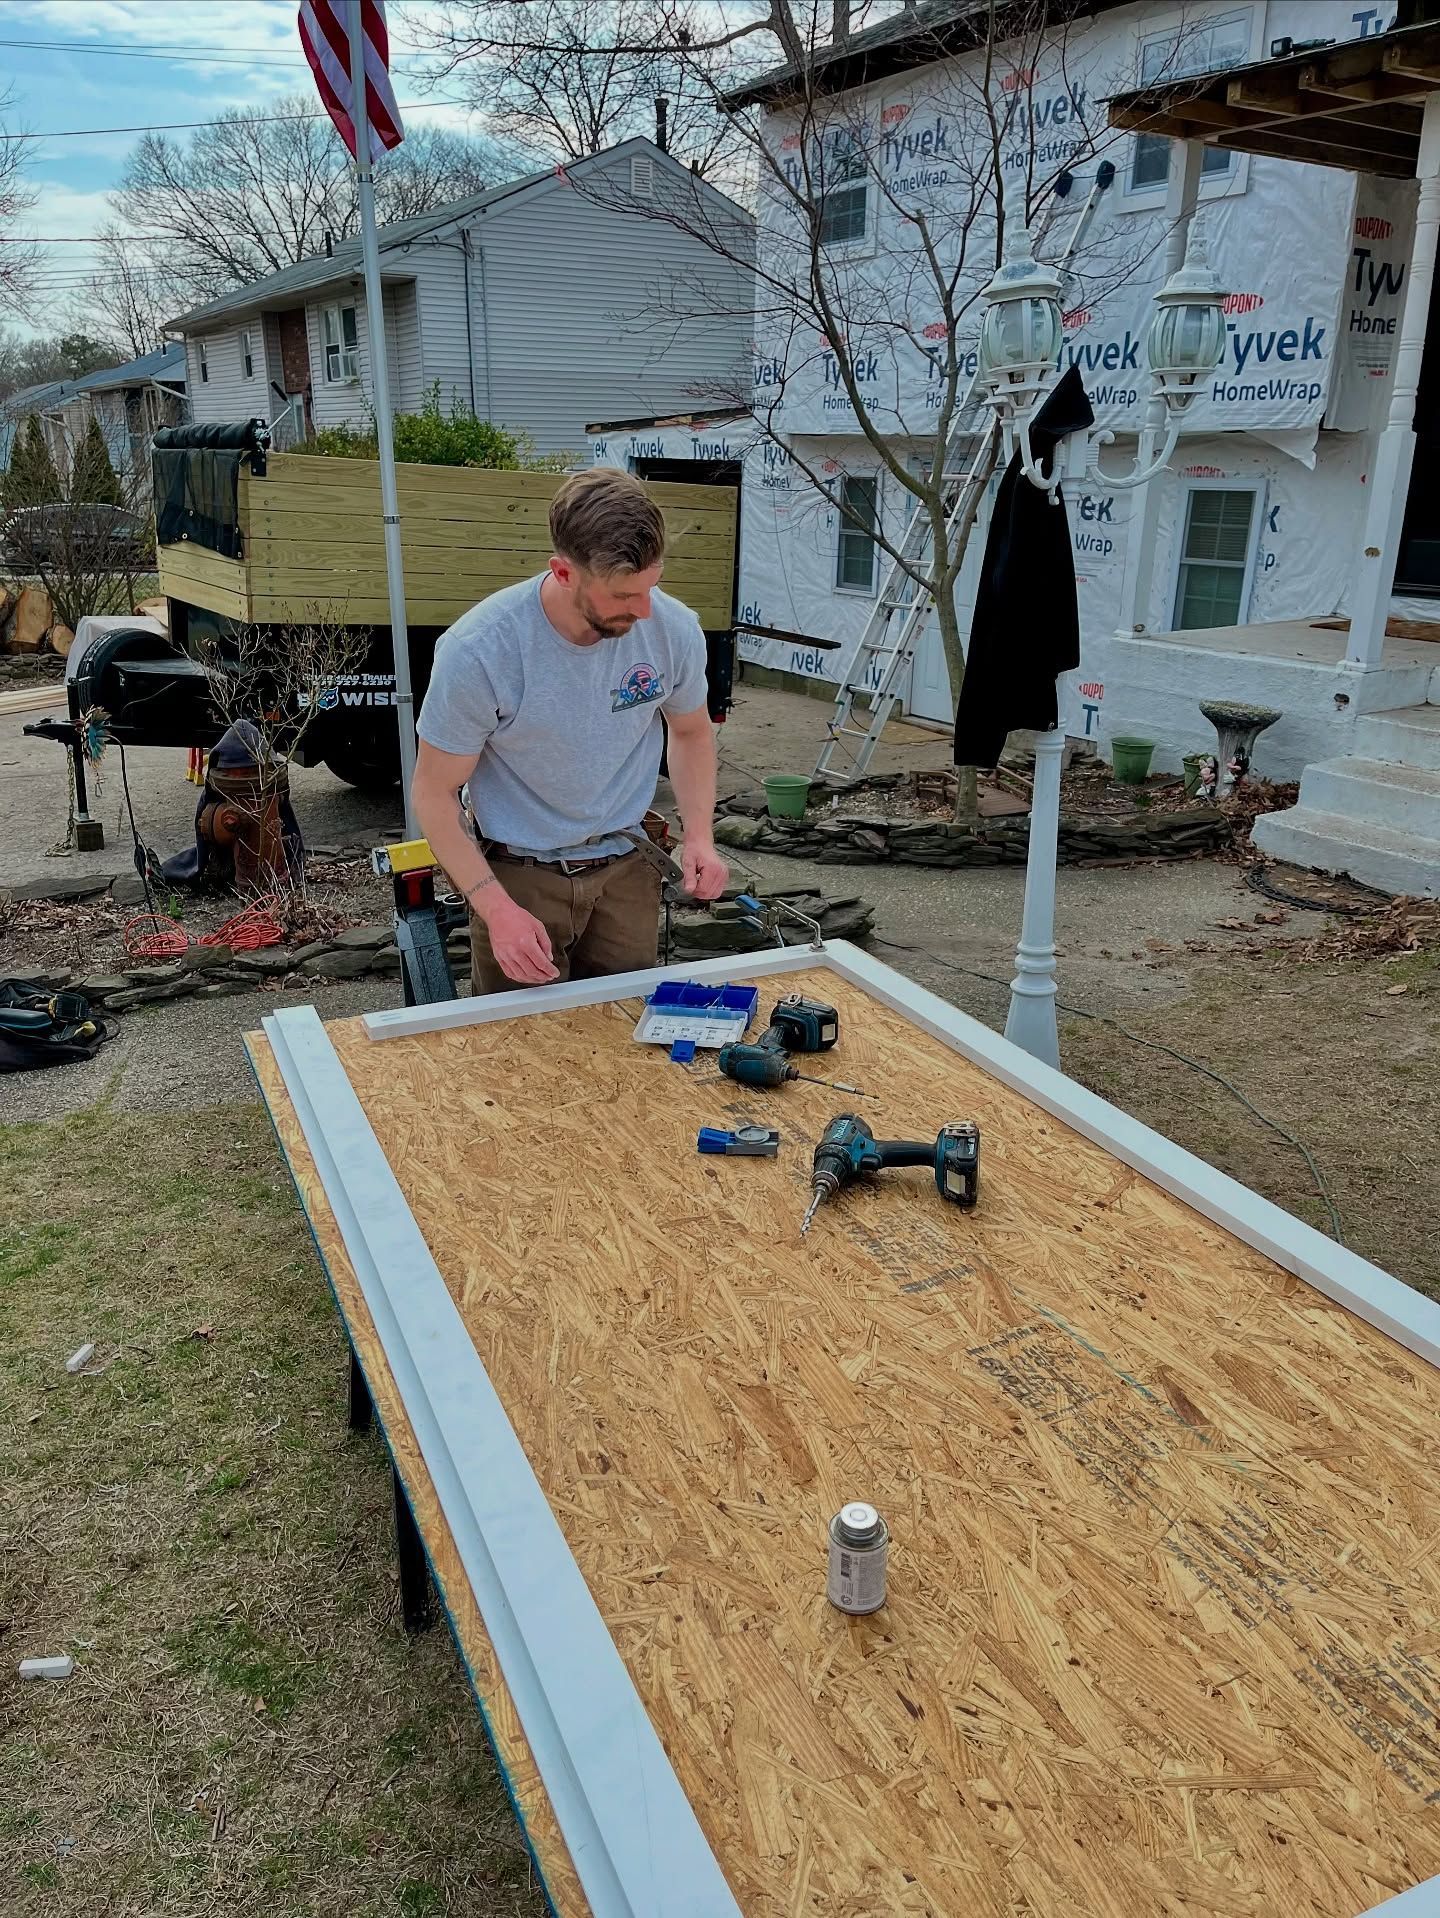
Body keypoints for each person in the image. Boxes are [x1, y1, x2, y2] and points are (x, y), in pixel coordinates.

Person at [412, 466, 729, 991]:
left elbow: (691, 732)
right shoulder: (481, 651)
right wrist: (496, 909)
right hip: (520, 875)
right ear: (563, 572)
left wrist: (700, 835)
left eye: (651, 586)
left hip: (628, 866)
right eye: (624, 597)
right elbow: (433, 792)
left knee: (622, 1033)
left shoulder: (673, 629)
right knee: (517, 1047)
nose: (644, 609)